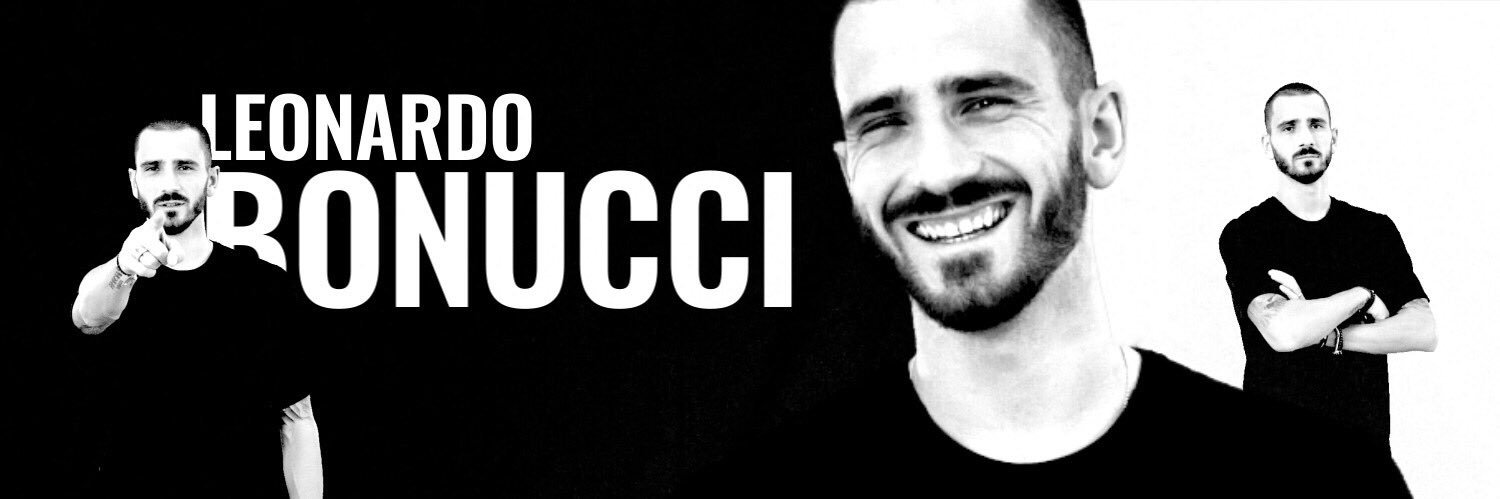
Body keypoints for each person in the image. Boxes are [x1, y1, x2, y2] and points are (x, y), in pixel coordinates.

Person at [691, 1, 1407, 495]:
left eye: (983, 102)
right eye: (884, 122)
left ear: (1100, 134)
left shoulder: (1331, 483)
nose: (938, 171)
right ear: (850, 174)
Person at [71, 120, 324, 498]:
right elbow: (88, 319)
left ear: (213, 179)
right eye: (153, 168)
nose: (169, 183)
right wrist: (124, 269)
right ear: (134, 181)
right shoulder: (113, 275)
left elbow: (297, 421)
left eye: (185, 167)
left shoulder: (264, 287)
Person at [1219, 82, 1437, 452]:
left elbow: (1423, 330)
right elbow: (1284, 331)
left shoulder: (1374, 231)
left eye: (1316, 125)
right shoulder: (1247, 234)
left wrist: (1328, 334)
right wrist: (1363, 296)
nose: (1306, 138)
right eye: (1289, 127)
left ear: (1333, 137)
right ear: (1267, 144)